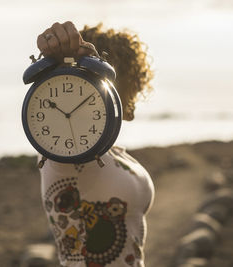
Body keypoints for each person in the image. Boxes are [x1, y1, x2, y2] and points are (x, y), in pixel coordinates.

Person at [36, 21, 155, 267]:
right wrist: (62, 62)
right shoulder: (68, 154)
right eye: (131, 86)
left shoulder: (107, 152)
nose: (130, 110)